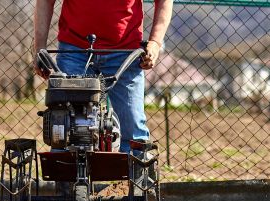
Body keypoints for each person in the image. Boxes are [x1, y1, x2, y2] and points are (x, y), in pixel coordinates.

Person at [33, 0, 173, 152]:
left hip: (125, 51)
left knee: (132, 132)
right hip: (75, 50)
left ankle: (136, 164)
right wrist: (39, 47)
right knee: (64, 127)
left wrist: (155, 42)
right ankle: (64, 166)